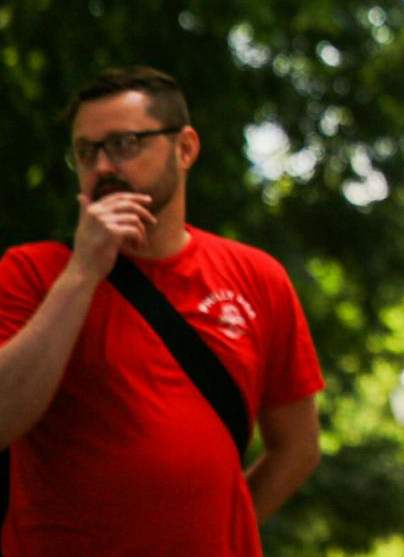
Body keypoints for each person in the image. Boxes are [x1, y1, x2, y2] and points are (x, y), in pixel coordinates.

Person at [0, 67, 324, 555]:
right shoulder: (33, 272)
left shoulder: (258, 278)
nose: (104, 166)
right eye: (86, 153)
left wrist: (223, 533)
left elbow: (298, 447)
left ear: (185, 148)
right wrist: (84, 272)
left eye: (125, 144)